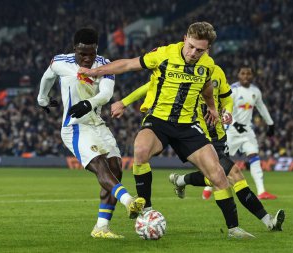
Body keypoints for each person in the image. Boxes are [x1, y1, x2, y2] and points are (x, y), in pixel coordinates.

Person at [80, 22, 253, 239]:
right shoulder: (163, 54)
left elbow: (207, 87)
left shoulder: (208, 65)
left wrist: (211, 107)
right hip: (159, 121)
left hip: (188, 126)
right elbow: (128, 65)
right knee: (140, 150)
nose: (193, 53)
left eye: (200, 50)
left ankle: (234, 229)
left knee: (218, 174)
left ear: (207, 49)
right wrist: (95, 71)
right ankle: (146, 209)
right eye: (190, 46)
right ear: (184, 38)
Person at [112, 65, 285, 232]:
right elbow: (149, 86)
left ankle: (181, 181)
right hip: (199, 136)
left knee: (215, 177)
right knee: (234, 175)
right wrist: (124, 102)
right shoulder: (180, 71)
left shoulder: (216, 71)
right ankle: (266, 221)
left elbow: (226, 99)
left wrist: (227, 112)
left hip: (219, 135)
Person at [37, 28, 145, 239]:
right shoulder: (60, 62)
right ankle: (129, 202)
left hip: (98, 124)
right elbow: (47, 78)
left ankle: (101, 228)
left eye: (91, 54)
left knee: (116, 170)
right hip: (75, 127)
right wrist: (42, 100)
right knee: (100, 166)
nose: (87, 59)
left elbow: (106, 94)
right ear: (74, 48)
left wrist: (88, 103)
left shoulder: (105, 65)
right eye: (82, 54)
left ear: (97, 49)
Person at [221, 65, 277, 200]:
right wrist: (234, 123)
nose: (246, 76)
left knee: (254, 156)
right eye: (243, 73)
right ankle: (207, 188)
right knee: (221, 160)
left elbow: (261, 107)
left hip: (247, 132)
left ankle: (262, 191)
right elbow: (223, 109)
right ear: (238, 75)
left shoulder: (255, 91)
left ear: (252, 76)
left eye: (248, 74)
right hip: (232, 131)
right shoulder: (233, 90)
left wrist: (270, 124)